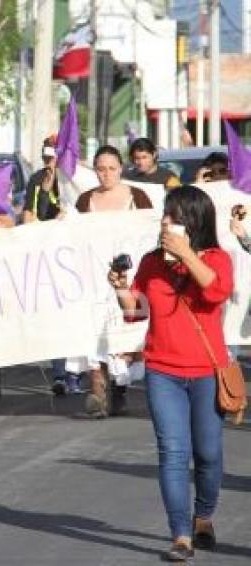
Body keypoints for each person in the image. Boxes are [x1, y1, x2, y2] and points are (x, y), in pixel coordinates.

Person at [108, 185, 232, 562]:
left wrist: (187, 255)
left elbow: (215, 291)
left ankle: (204, 516)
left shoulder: (217, 259)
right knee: (173, 452)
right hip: (163, 371)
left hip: (207, 371)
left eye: (173, 216)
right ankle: (180, 534)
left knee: (207, 453)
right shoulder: (150, 262)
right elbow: (136, 312)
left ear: (193, 222)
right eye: (164, 214)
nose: (164, 221)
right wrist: (121, 290)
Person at [76, 145, 154, 418]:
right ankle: (97, 389)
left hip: (128, 277)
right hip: (94, 277)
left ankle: (118, 389)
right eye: (100, 168)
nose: (106, 174)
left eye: (111, 168)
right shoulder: (85, 200)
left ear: (121, 169)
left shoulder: (139, 196)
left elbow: (150, 233)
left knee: (122, 331)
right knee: (93, 329)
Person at [22, 137, 80, 394]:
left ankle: (76, 373)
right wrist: (44, 193)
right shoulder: (36, 180)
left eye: (53, 158)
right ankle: (59, 374)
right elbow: (29, 217)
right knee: (58, 315)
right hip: (51, 258)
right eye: (45, 158)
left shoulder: (76, 180)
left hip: (78, 258)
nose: (49, 163)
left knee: (76, 317)